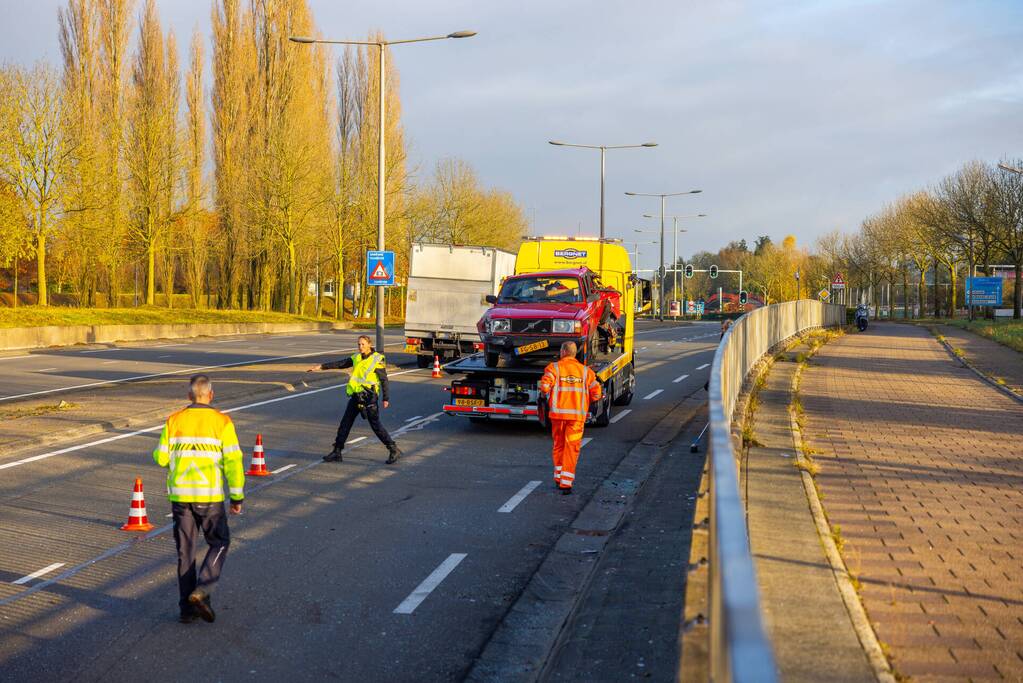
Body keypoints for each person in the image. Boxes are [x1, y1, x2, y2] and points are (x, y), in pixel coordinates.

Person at [153, 374, 244, 624]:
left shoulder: (174, 420)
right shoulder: (222, 422)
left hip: (181, 497)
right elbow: (234, 463)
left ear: (189, 396)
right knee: (220, 542)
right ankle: (202, 590)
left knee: (185, 553)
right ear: (210, 395)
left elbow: (160, 458)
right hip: (210, 496)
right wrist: (237, 496)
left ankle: (186, 610)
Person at [308, 335, 402, 464]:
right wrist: (321, 366)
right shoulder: (356, 357)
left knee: (375, 425)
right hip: (357, 395)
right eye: (359, 344)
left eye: (363, 344)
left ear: (369, 344)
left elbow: (384, 379)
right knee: (345, 423)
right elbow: (341, 364)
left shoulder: (377, 359)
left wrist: (386, 398)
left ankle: (393, 449)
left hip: (369, 397)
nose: (360, 347)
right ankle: (337, 451)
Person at [539, 341, 602, 495]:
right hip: (576, 418)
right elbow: (596, 393)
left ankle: (558, 477)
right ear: (574, 353)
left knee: (558, 445)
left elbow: (545, 386)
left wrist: (545, 393)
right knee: (571, 448)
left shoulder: (554, 368)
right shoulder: (586, 372)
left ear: (562, 352)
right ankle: (566, 484)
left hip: (558, 415)